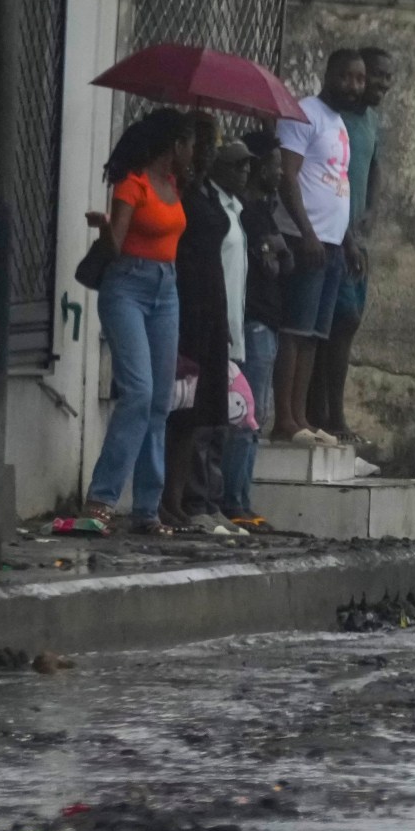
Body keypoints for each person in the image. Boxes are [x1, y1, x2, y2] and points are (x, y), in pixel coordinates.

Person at [84, 108, 194, 533]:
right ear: (174, 146)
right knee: (138, 392)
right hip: (126, 287)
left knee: (159, 401)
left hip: (166, 290)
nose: (194, 152)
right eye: (190, 143)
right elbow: (116, 244)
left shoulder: (173, 184)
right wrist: (104, 227)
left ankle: (147, 509)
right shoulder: (133, 184)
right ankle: (101, 499)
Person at [272, 48, 364, 447]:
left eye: (359, 79)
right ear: (328, 74)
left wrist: (347, 241)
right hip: (302, 239)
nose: (354, 86)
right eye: (347, 77)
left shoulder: (339, 123)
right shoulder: (303, 113)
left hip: (332, 245)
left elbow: (335, 183)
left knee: (313, 335)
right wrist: (307, 232)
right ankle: (284, 420)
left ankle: (302, 417)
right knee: (293, 330)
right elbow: (288, 177)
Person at [308, 47, 393, 445]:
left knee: (347, 321)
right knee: (334, 324)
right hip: (332, 236)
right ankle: (326, 417)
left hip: (357, 238)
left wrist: (374, 210)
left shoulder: (370, 120)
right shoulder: (332, 118)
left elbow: (374, 166)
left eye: (382, 78)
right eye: (373, 76)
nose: (379, 85)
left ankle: (327, 415)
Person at [162, 111, 233, 528]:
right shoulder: (179, 192)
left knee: (198, 411)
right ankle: (163, 498)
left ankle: (178, 499)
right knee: (177, 408)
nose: (207, 154)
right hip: (185, 301)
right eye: (200, 145)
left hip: (212, 303)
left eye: (212, 146)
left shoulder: (207, 191)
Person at [222, 141, 290, 527]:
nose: (280, 173)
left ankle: (240, 499)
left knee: (254, 416)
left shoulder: (261, 210)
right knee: (246, 415)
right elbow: (272, 266)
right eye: (274, 164)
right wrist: (273, 250)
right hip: (255, 320)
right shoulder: (246, 212)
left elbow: (284, 261)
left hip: (267, 320)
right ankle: (234, 500)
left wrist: (277, 249)